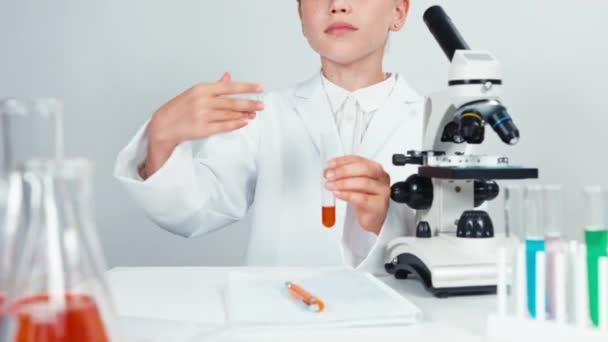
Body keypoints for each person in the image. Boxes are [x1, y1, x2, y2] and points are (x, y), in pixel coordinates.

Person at [114, 0, 424, 273]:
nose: (338, 4)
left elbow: (459, 246)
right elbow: (191, 213)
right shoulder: (264, 116)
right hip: (279, 320)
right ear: (301, 16)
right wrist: (162, 135)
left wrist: (385, 219)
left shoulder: (436, 124)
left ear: (398, 11)